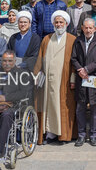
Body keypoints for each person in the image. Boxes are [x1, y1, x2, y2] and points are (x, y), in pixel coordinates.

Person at [33, 10, 77, 145]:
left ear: (66, 23)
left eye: (61, 22)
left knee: (63, 106)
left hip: (63, 81)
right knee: (48, 106)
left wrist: (73, 79)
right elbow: (40, 58)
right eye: (56, 22)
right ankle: (50, 134)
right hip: (47, 81)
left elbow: (75, 61)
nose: (58, 24)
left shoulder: (72, 39)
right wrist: (36, 75)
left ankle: (63, 135)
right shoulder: (46, 39)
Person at [72, 18, 96, 147]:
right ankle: (81, 135)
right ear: (82, 28)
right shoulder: (78, 41)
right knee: (80, 108)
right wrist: (80, 70)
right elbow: (74, 58)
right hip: (81, 78)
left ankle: (93, 135)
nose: (88, 30)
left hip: (95, 78)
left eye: (90, 28)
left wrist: (87, 69)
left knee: (94, 108)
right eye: (86, 28)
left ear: (95, 28)